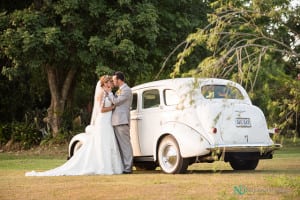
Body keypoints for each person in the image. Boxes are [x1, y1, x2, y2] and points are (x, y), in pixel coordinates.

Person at [25, 75, 123, 176]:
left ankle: (110, 166)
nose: (111, 83)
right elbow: (101, 109)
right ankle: (103, 167)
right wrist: (113, 107)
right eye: (109, 82)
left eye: (111, 82)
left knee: (108, 142)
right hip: (102, 121)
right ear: (105, 83)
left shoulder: (108, 93)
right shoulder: (101, 92)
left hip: (107, 121)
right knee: (102, 142)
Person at [107, 71, 133, 174]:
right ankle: (123, 166)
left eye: (114, 80)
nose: (113, 82)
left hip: (122, 121)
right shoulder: (119, 90)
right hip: (117, 121)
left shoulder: (126, 90)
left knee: (125, 145)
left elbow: (116, 101)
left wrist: (109, 93)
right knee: (120, 146)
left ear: (119, 80)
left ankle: (128, 168)